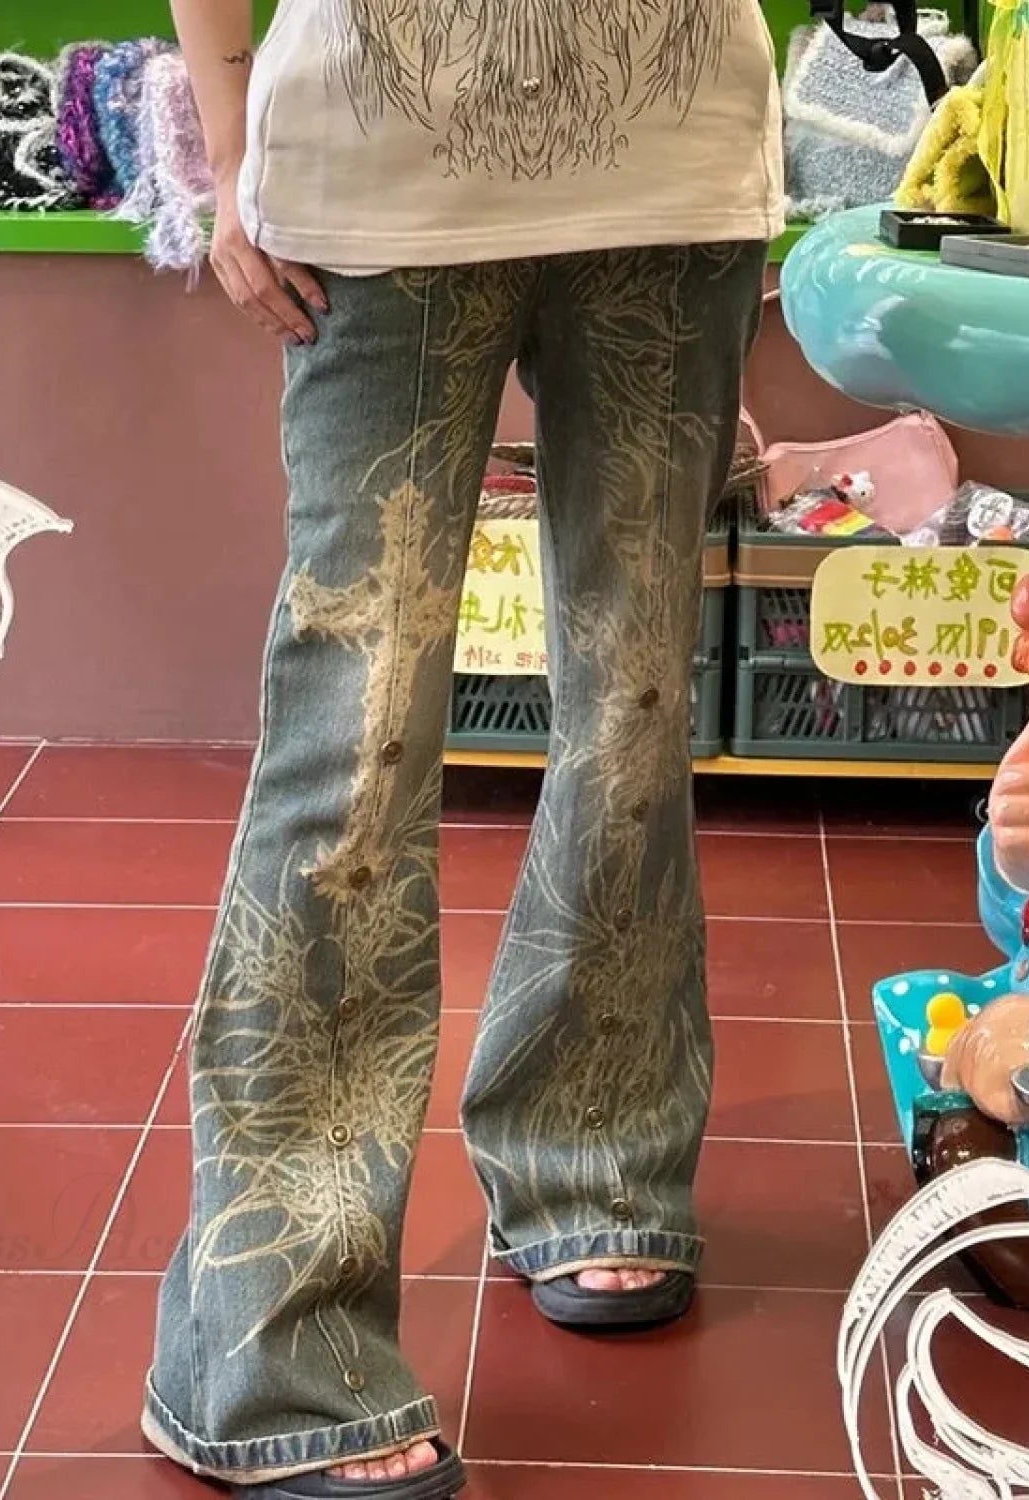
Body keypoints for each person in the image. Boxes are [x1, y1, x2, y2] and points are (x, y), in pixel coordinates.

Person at [148, 4, 783, 1496]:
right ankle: (268, 1341)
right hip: (376, 173)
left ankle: (594, 1151)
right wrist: (229, 144)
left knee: (637, 704)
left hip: (672, 163)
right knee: (354, 743)